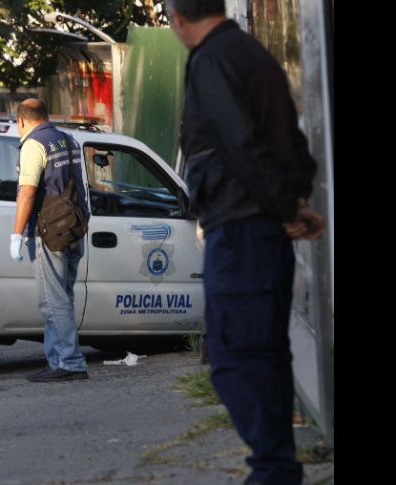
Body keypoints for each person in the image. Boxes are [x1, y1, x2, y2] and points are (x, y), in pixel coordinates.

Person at [167, 1, 326, 484]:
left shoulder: (212, 60)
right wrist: (293, 203)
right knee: (265, 354)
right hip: (262, 229)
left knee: (237, 357)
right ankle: (276, 467)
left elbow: (238, 142)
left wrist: (283, 208)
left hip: (240, 231)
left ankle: (273, 470)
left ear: (175, 18)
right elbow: (291, 142)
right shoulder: (255, 54)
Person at [10, 99, 91, 383]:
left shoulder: (34, 145)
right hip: (73, 228)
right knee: (62, 297)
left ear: (21, 120)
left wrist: (16, 233)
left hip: (49, 234)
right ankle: (57, 360)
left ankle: (69, 361)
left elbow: (27, 193)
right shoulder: (66, 139)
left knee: (52, 301)